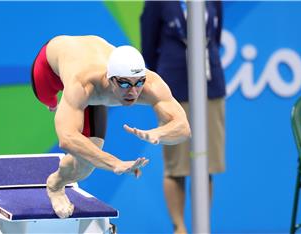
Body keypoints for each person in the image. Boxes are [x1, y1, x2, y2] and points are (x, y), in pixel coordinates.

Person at [30, 35, 191, 219]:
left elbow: (183, 128)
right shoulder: (83, 84)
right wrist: (115, 163)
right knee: (48, 101)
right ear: (110, 78)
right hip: (52, 64)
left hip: (94, 83)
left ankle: (55, 184)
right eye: (124, 83)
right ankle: (53, 104)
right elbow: (66, 139)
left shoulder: (151, 84)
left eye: (139, 83)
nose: (133, 91)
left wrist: (159, 133)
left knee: (86, 165)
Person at [140, 1, 226, 233]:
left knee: (206, 162)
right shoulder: (157, 2)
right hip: (173, 89)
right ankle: (179, 227)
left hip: (210, 86)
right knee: (176, 165)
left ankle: (203, 225)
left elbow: (215, 37)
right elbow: (148, 47)